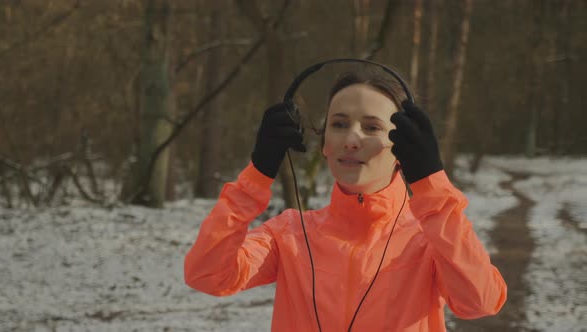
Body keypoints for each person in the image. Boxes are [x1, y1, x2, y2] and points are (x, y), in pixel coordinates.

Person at [184, 70, 507, 331]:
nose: (351, 140)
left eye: (371, 127)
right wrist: (257, 174)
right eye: (339, 124)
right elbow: (207, 274)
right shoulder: (290, 235)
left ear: (401, 148)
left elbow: (479, 301)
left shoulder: (431, 237)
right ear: (324, 143)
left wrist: (430, 184)